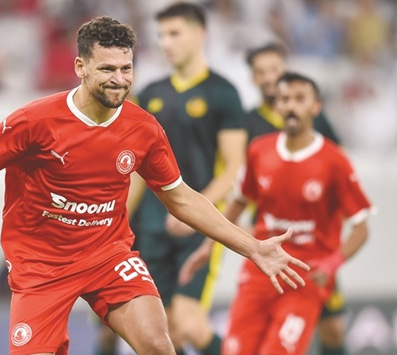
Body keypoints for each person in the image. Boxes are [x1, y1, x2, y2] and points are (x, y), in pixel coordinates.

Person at [0, 16, 308, 355]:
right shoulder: (33, 122)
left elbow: (181, 198)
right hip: (40, 268)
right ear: (80, 67)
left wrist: (254, 248)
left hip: (108, 256)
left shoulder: (142, 129)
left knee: (159, 345)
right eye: (107, 69)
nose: (119, 79)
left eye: (126, 68)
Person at [181, 72, 372, 355]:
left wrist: (331, 265)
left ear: (315, 106)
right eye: (284, 99)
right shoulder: (260, 151)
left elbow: (361, 227)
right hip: (259, 273)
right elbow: (239, 202)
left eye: (299, 99)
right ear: (277, 106)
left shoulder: (334, 161)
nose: (291, 106)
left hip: (304, 278)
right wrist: (207, 247)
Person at [132, 3, 247, 354]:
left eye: (174, 33)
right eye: (162, 35)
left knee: (188, 321)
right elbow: (135, 168)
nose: (166, 43)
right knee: (160, 331)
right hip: (151, 224)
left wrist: (195, 210)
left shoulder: (224, 93)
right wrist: (118, 217)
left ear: (200, 35)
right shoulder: (149, 93)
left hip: (198, 226)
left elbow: (233, 167)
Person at [244, 43, 347, 355]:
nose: (268, 78)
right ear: (253, 79)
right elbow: (242, 183)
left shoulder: (318, 120)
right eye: (260, 72)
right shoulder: (247, 124)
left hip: (313, 244)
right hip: (268, 240)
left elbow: (338, 177)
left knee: (333, 329)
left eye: (273, 69)